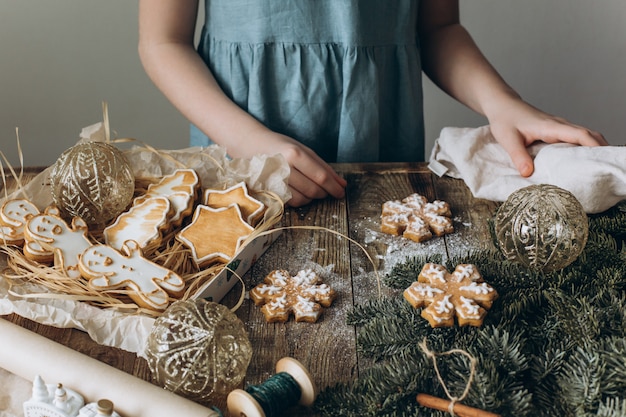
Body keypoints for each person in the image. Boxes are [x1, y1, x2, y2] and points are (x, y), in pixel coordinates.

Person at [138, 0, 606, 207]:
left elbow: (437, 29)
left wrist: (503, 103)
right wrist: (249, 142)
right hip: (242, 163)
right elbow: (162, 41)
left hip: (379, 155)